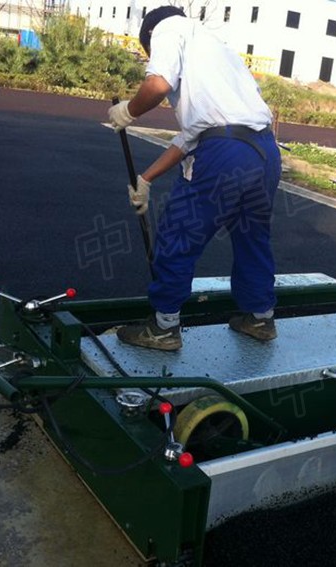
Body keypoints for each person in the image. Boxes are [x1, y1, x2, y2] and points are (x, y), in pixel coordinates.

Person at [107, 6, 281, 351]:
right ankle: (260, 318)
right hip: (264, 151)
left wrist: (130, 110)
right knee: (252, 237)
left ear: (149, 36)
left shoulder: (167, 30)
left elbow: (158, 84)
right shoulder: (217, 52)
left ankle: (163, 327)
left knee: (179, 232)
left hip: (225, 154)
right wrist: (147, 178)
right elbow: (192, 136)